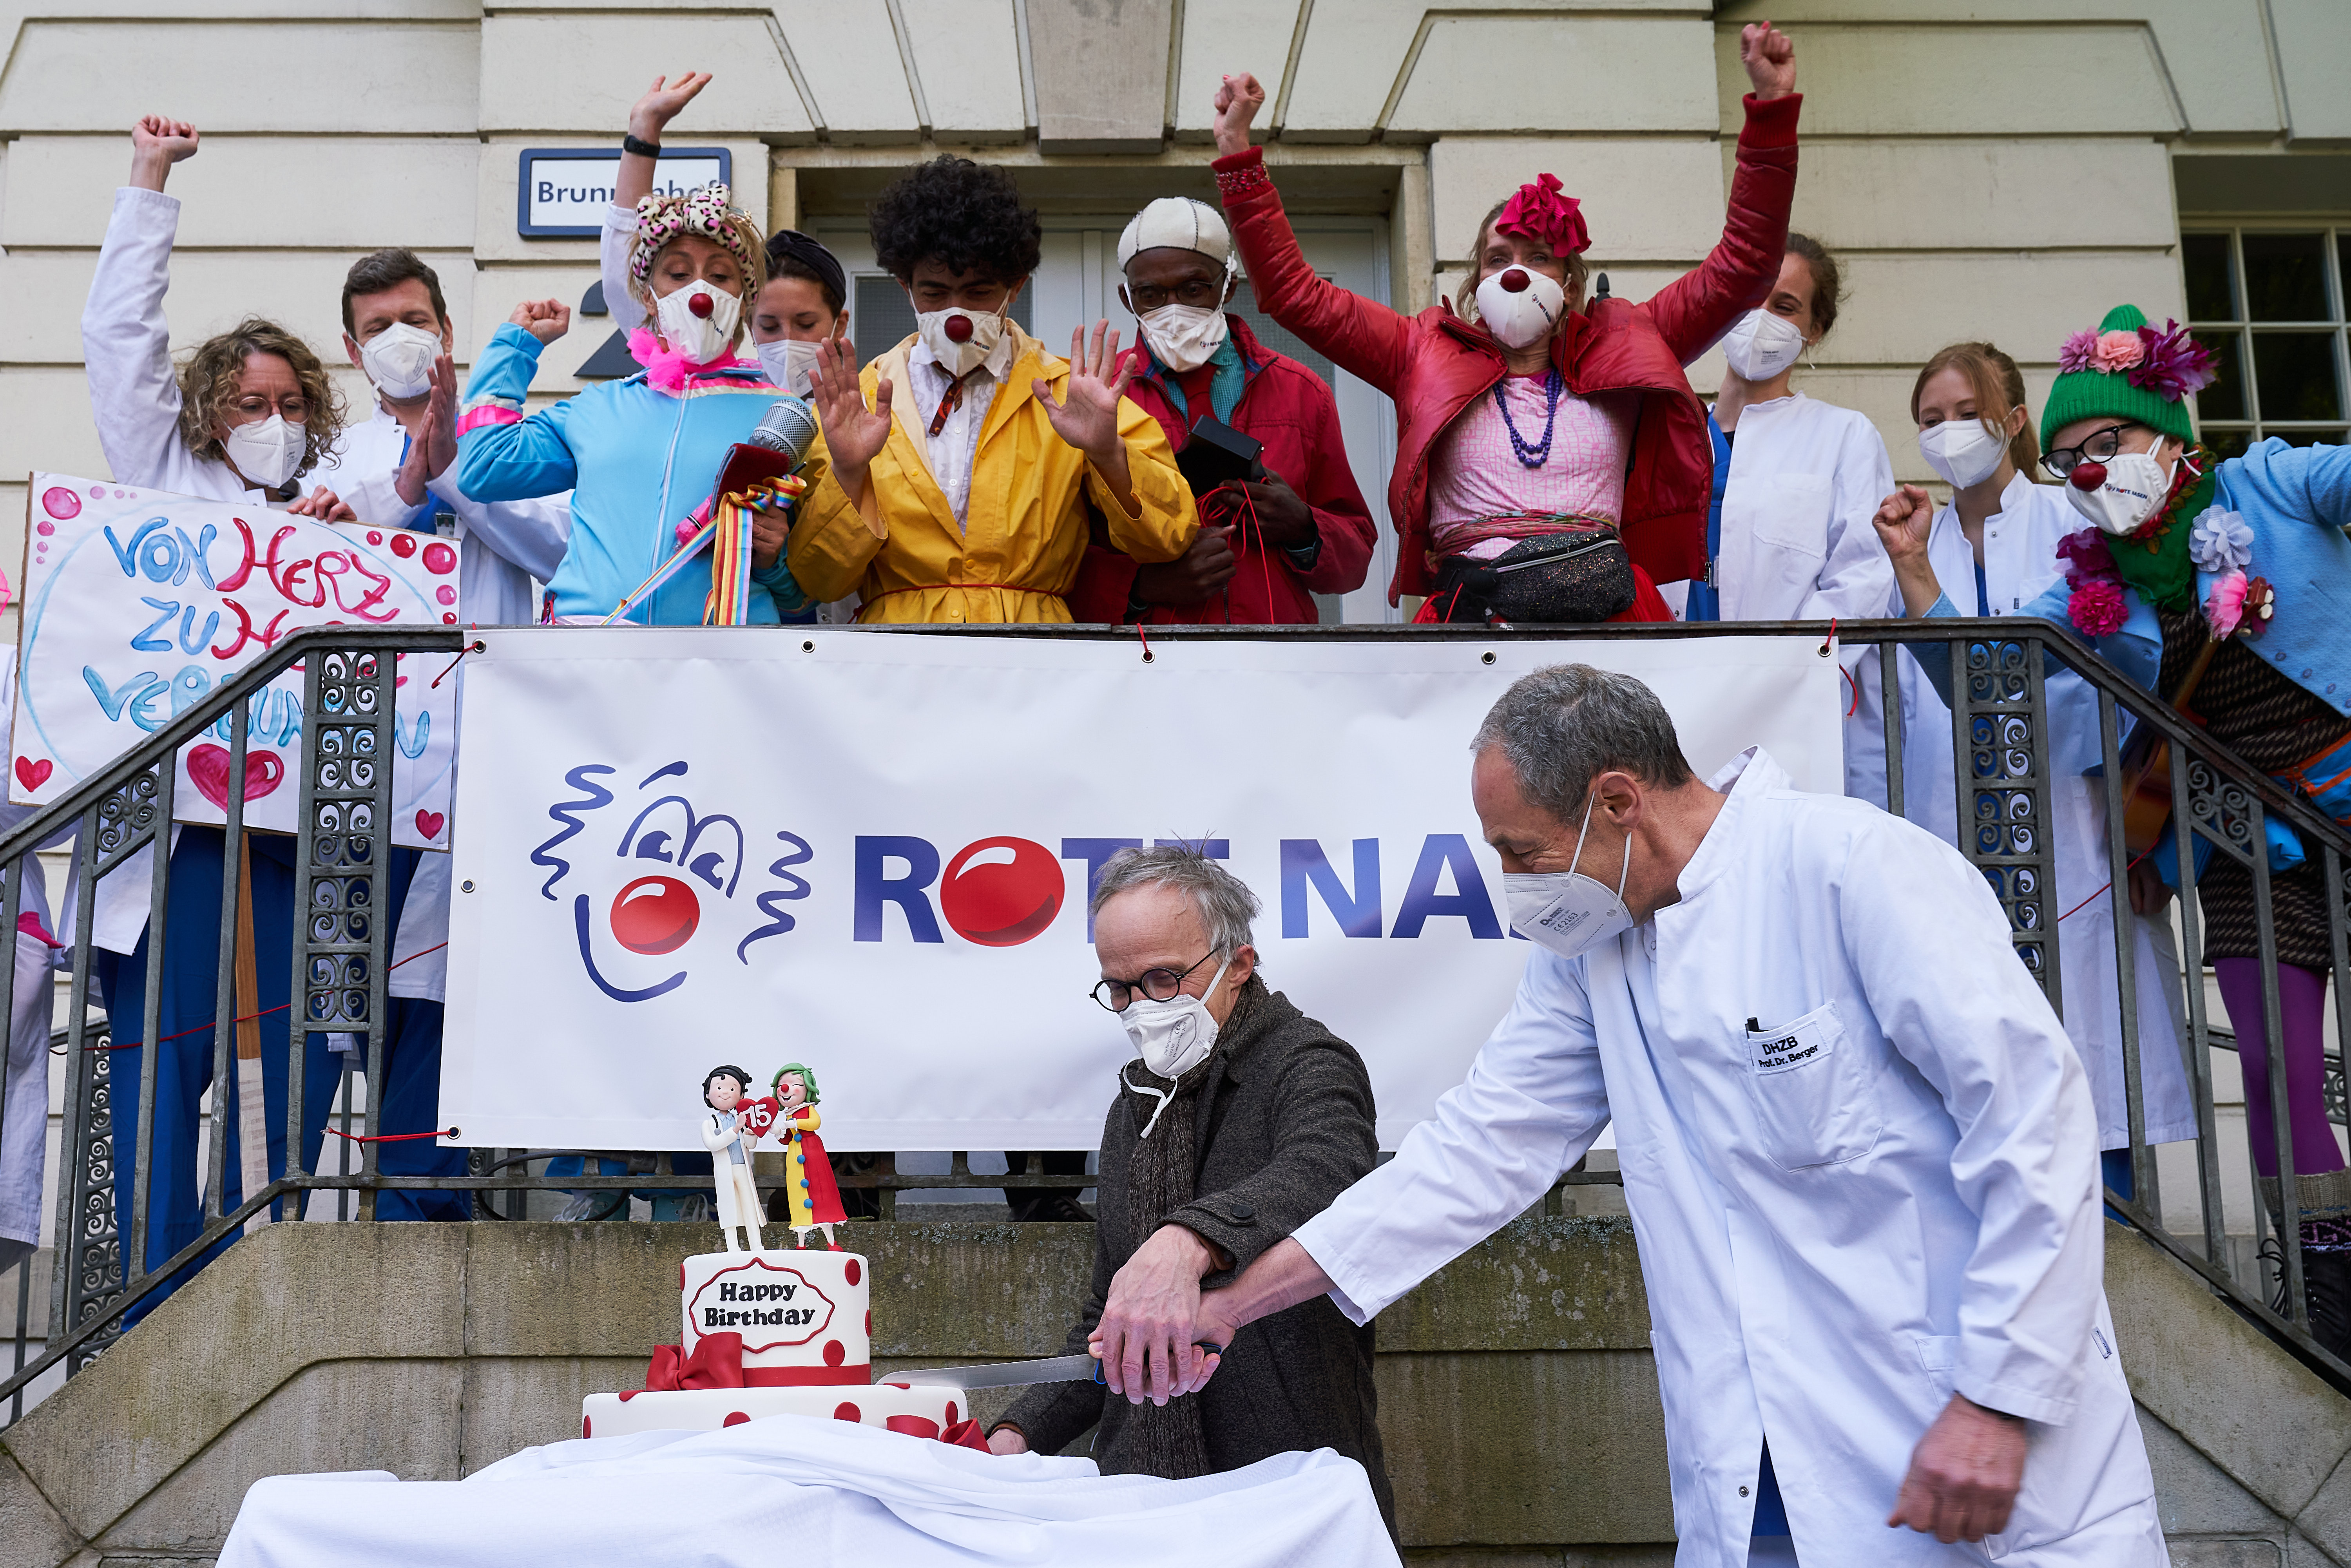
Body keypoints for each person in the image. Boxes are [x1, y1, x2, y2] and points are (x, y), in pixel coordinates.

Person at [1177, 666, 2168, 1561]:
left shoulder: (1853, 866)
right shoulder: (1590, 953)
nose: (1516, 884)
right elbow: (1476, 1151)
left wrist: (2000, 1393)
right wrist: (1236, 1298)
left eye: (1523, 851)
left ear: (1617, 800)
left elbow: (2035, 1126)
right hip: (1757, 1469)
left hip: (1955, 1425)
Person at [1876, 303, 2351, 1354]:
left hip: (2345, 798)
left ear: (2170, 434)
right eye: (2073, 457)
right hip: (2241, 838)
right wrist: (1916, 571)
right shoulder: (2097, 584)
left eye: (2111, 444)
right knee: (2270, 1061)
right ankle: (2327, 1293)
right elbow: (1986, 672)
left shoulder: (2267, 483)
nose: (2094, 468)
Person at [79, 116, 396, 1303]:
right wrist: (148, 183)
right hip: (178, 830)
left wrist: (358, 545)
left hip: (312, 829)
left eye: (289, 397)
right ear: (209, 414)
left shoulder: (349, 491)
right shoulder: (166, 482)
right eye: (246, 399)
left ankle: (252, 1271)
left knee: (309, 1063)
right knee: (165, 1062)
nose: (270, 415)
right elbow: (117, 342)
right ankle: (156, 1290)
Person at [1204, 24, 1800, 625]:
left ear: (1569, 283)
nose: (1516, 272)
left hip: (1609, 617)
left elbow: (1744, 269)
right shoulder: (1420, 351)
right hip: (1471, 623)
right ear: (1476, 282)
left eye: (1538, 256)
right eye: (1497, 258)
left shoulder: (1630, 343)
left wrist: (1771, 113)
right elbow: (1293, 294)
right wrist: (1236, 155)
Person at [987, 846, 1393, 1537]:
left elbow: (1328, 1168)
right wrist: (1016, 1432)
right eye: (1119, 987)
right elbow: (1108, 1313)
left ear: (1238, 963)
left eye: (1165, 978)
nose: (1140, 1006)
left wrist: (1189, 1241)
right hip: (1139, 1498)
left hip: (1286, 1490)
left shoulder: (1310, 1063)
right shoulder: (1133, 1104)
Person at [1873, 340, 2196, 1206]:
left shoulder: (2074, 523)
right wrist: (1910, 566)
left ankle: (2118, 1242)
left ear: (2014, 420)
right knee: (1968, 1063)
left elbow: (2137, 669)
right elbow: (1916, 703)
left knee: (2091, 1046)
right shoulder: (1911, 540)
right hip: (1947, 829)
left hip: (2076, 822)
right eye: (1930, 420)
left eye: (1965, 414)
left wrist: (2144, 836)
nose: (1947, 434)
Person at [313, 247, 576, 1220]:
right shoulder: (330, 464)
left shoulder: (515, 443)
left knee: (443, 997)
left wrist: (452, 463)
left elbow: (555, 545)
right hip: (361, 771)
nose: (399, 338)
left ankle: (421, 1208)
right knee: (348, 1002)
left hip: (478, 768)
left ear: (449, 331)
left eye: (414, 317)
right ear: (351, 347)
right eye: (377, 325)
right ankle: (367, 1205)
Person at [793, 155, 1197, 623]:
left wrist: (1109, 455)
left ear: (1016, 287)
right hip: (899, 666)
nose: (956, 314)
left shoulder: (1074, 394)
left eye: (979, 292)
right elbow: (817, 581)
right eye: (935, 293)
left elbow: (1170, 537)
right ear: (906, 287)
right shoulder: (857, 402)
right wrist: (848, 472)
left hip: (1032, 662)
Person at [457, 181, 814, 626]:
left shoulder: (785, 417)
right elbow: (483, 470)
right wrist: (516, 348)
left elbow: (807, 597)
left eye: (720, 276)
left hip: (721, 669)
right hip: (590, 657)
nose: (700, 293)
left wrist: (771, 562)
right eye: (679, 275)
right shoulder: (597, 407)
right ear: (649, 295)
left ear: (745, 300)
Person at [1064, 197, 1375, 625]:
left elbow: (1356, 554)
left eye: (1194, 289)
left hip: (1275, 658)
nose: (1173, 309)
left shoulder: (1301, 392)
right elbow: (1051, 558)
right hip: (1146, 662)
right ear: (1127, 297)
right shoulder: (1094, 398)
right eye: (1150, 294)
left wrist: (1304, 527)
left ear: (1228, 286)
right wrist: (1141, 585)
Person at [1673, 233, 1895, 800]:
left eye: (1785, 305)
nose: (1761, 317)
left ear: (1813, 330)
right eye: (1748, 298)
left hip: (1781, 719)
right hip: (1669, 700)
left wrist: (1774, 685)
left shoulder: (1842, 436)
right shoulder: (1669, 432)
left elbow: (1861, 583)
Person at [599, 73, 851, 405]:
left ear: (839, 324)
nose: (787, 343)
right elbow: (625, 271)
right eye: (769, 326)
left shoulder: (876, 401)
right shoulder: (711, 390)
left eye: (805, 324)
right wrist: (644, 132)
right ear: (745, 315)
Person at [767, 1063, 846, 1248]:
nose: (785, 1089)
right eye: (781, 1085)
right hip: (795, 1156)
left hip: (813, 1153)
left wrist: (794, 1123)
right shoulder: (788, 1115)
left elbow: (814, 1123)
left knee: (821, 1193)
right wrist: (776, 1130)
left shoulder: (807, 1109)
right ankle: (801, 1243)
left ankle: (831, 1242)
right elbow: (787, 1139)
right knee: (798, 1196)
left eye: (795, 1084)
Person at [699, 1066, 767, 1253]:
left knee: (750, 1207)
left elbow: (750, 1146)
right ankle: (733, 1247)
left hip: (743, 1168)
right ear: (708, 1094)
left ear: (741, 1094)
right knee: (728, 1208)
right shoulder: (709, 1123)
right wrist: (735, 1130)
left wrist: (751, 1133)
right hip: (725, 1170)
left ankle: (757, 1246)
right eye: (719, 1088)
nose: (726, 1094)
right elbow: (713, 1144)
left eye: (732, 1089)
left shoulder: (742, 1119)